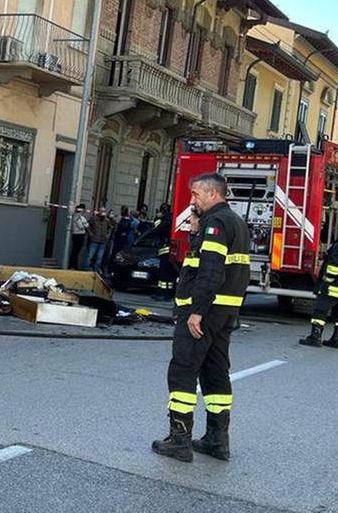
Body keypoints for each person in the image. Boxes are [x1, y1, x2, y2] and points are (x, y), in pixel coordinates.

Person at [152, 173, 249, 463]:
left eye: (195, 195)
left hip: (204, 313)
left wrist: (197, 311)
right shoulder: (234, 222)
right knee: (215, 373)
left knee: (183, 370)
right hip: (224, 312)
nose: (192, 200)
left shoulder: (216, 223)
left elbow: (211, 271)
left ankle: (179, 440)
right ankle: (218, 441)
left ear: (211, 194)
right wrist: (196, 232)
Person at [299, 216, 338, 350]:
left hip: (334, 287)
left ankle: (315, 337)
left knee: (320, 311)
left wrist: (325, 283)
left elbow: (334, 266)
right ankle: (337, 339)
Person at [85, 208, 113, 274]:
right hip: (94, 239)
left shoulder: (106, 220)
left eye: (104, 212)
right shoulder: (94, 219)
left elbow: (110, 228)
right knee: (90, 255)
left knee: (99, 258)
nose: (103, 213)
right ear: (99, 212)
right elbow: (87, 226)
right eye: (102, 212)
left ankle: (96, 270)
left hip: (103, 241)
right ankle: (86, 268)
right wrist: (90, 234)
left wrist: (108, 234)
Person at [68, 204, 90, 270]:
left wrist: (85, 224)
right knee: (75, 251)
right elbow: (82, 226)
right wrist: (85, 225)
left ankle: (74, 265)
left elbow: (86, 224)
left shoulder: (81, 217)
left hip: (80, 235)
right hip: (77, 235)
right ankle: (73, 265)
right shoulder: (77, 217)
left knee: (77, 251)